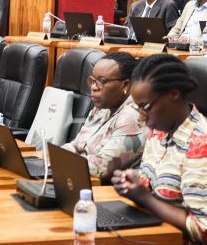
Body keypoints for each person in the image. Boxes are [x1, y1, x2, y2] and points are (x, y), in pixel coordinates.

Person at [110, 54, 207, 245]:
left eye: (145, 107)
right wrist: (131, 185)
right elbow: (153, 186)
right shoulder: (159, 132)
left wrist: (146, 199)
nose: (141, 117)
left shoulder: (205, 145)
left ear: (174, 94)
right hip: (158, 241)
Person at [62, 52, 148, 182]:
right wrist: (56, 155)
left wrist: (61, 159)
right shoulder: (102, 107)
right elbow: (75, 145)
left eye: (102, 81)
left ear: (126, 85)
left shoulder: (133, 117)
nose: (94, 87)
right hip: (79, 177)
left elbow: (101, 167)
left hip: (111, 192)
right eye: (93, 80)